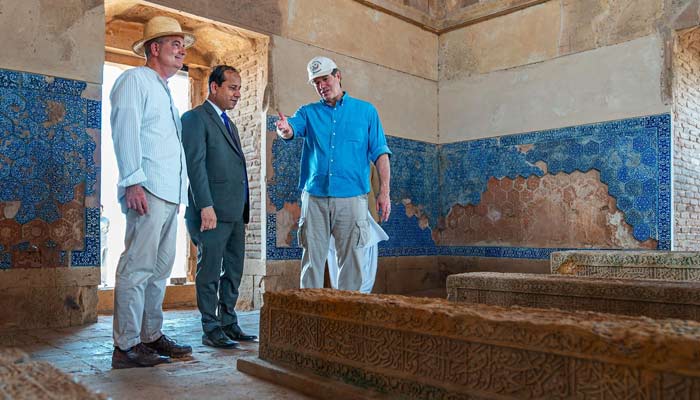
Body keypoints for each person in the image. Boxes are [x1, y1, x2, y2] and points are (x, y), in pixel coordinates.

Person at [109, 15, 195, 369]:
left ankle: (150, 335)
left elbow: (167, 147)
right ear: (154, 48)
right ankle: (126, 345)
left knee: (159, 270)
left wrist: (178, 194)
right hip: (145, 189)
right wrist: (132, 180)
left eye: (182, 45)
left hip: (167, 195)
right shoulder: (134, 80)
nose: (181, 50)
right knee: (137, 267)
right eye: (174, 43)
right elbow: (125, 129)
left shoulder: (164, 91)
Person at [275, 56, 392, 291]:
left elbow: (380, 153)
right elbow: (291, 129)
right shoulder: (308, 112)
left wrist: (385, 193)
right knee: (312, 261)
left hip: (353, 198)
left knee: (353, 261)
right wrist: (285, 130)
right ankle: (310, 320)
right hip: (315, 198)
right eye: (316, 82)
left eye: (325, 79)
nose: (321, 86)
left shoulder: (366, 112)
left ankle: (348, 317)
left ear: (337, 76)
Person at [181, 65, 257, 348]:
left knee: (234, 270)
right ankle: (210, 328)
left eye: (239, 89)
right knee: (210, 271)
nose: (237, 94)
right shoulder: (194, 119)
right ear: (214, 87)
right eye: (232, 87)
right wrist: (205, 206)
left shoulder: (230, 124)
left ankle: (228, 321)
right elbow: (195, 166)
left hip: (236, 212)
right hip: (210, 212)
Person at [327, 163, 388, 293]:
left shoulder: (337, 161)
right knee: (362, 264)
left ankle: (353, 296)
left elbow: (376, 192)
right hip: (356, 217)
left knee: (344, 261)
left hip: (356, 217)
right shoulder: (368, 163)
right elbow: (377, 192)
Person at [99, 205, 110, 287]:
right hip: (97, 245)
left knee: (104, 263)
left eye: (101, 208)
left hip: (105, 244)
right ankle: (98, 280)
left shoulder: (105, 220)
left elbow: (107, 230)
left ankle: (104, 281)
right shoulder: (94, 220)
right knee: (98, 263)